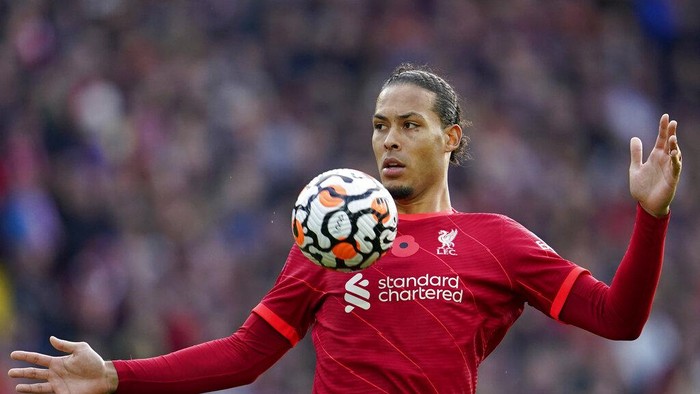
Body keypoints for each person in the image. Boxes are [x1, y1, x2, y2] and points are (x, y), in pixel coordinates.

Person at [8, 63, 682, 393]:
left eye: (409, 126)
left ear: (450, 139)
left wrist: (650, 218)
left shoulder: (496, 240)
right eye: (380, 125)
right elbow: (246, 353)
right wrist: (119, 377)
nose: (388, 140)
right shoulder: (330, 236)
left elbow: (618, 320)